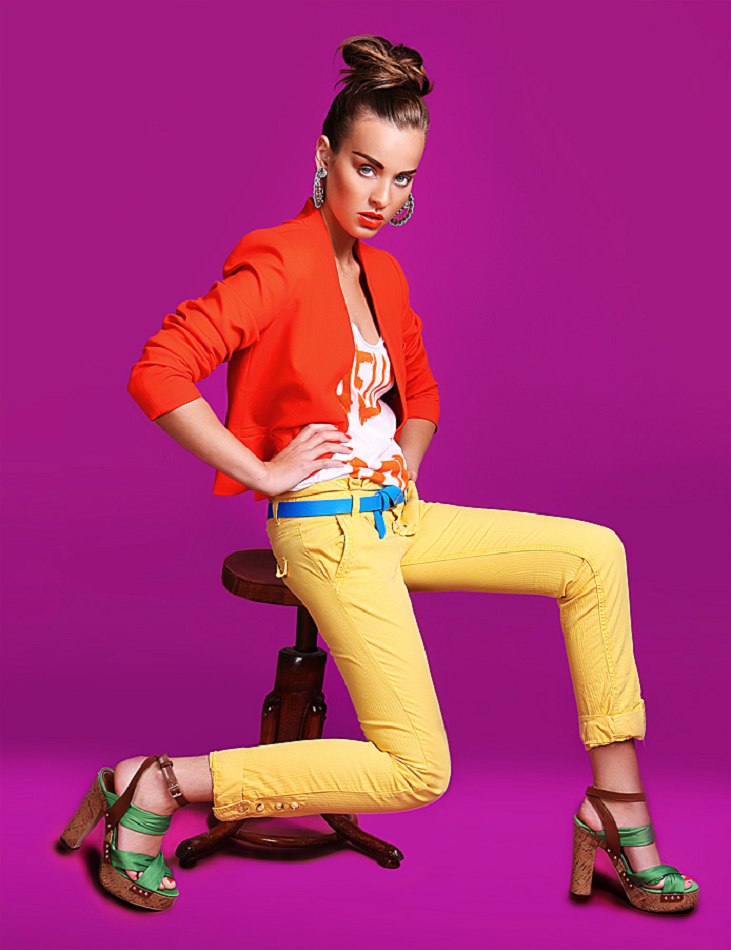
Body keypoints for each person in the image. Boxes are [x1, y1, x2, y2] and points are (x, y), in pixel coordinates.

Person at [59, 34, 698, 914]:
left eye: (401, 179)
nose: (382, 198)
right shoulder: (278, 259)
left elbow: (422, 394)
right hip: (325, 529)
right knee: (417, 769)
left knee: (594, 555)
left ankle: (616, 806)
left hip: (394, 514)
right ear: (325, 156)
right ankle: (158, 782)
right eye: (366, 169)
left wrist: (405, 458)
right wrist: (263, 471)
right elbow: (159, 369)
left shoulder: (383, 275)